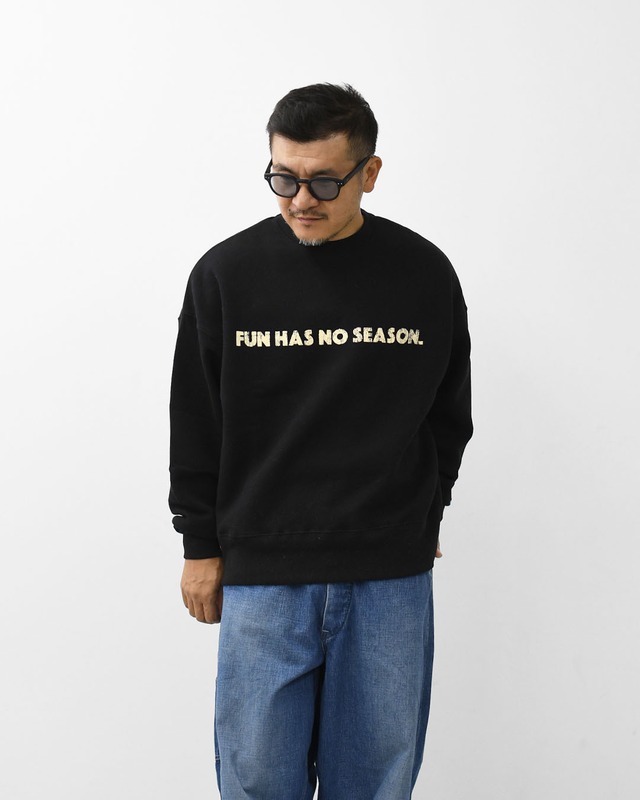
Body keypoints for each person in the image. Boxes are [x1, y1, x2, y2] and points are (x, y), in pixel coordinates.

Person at [169, 83, 472, 800]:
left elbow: (448, 411)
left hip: (388, 573)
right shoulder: (226, 274)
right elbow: (196, 420)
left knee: (375, 782)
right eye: (283, 178)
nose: (301, 199)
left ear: (370, 172)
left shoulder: (423, 272)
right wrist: (199, 545)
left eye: (325, 182)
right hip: (261, 572)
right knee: (256, 781)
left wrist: (427, 511)